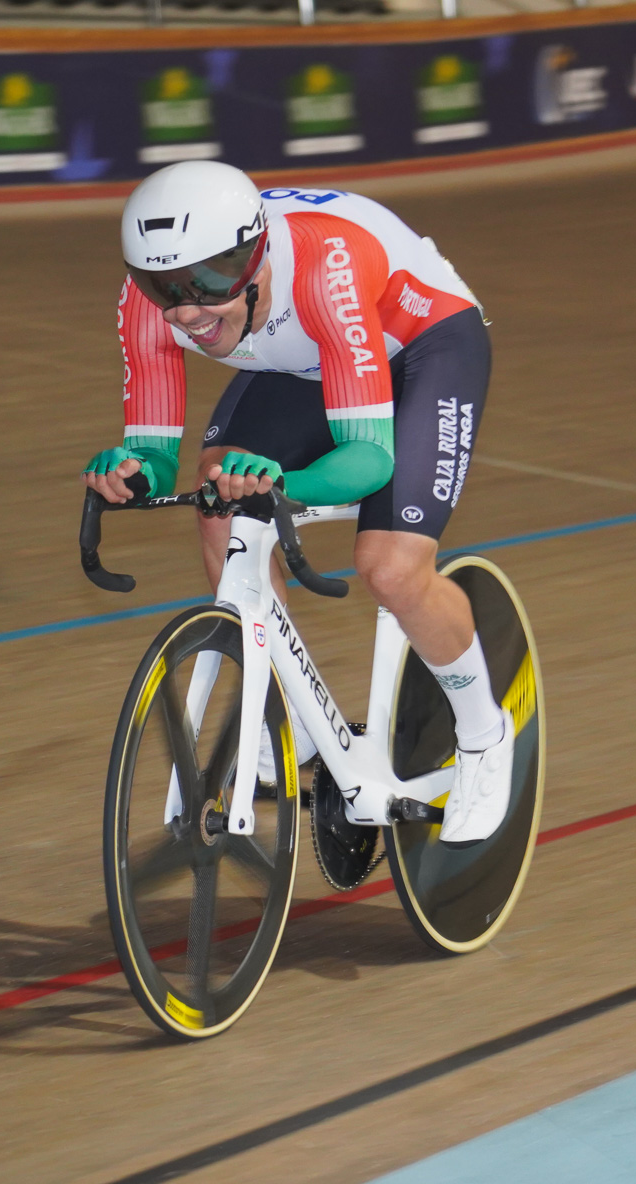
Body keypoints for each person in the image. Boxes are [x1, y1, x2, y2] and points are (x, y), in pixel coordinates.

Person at [81, 161, 508, 844]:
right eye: (164, 287)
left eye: (206, 285)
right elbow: (158, 451)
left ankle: (486, 735)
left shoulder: (321, 269)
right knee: (219, 500)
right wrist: (131, 470)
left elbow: (369, 460)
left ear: (253, 261)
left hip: (423, 344)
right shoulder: (150, 304)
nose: (187, 313)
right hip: (307, 358)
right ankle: (298, 724)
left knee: (391, 567)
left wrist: (283, 479)